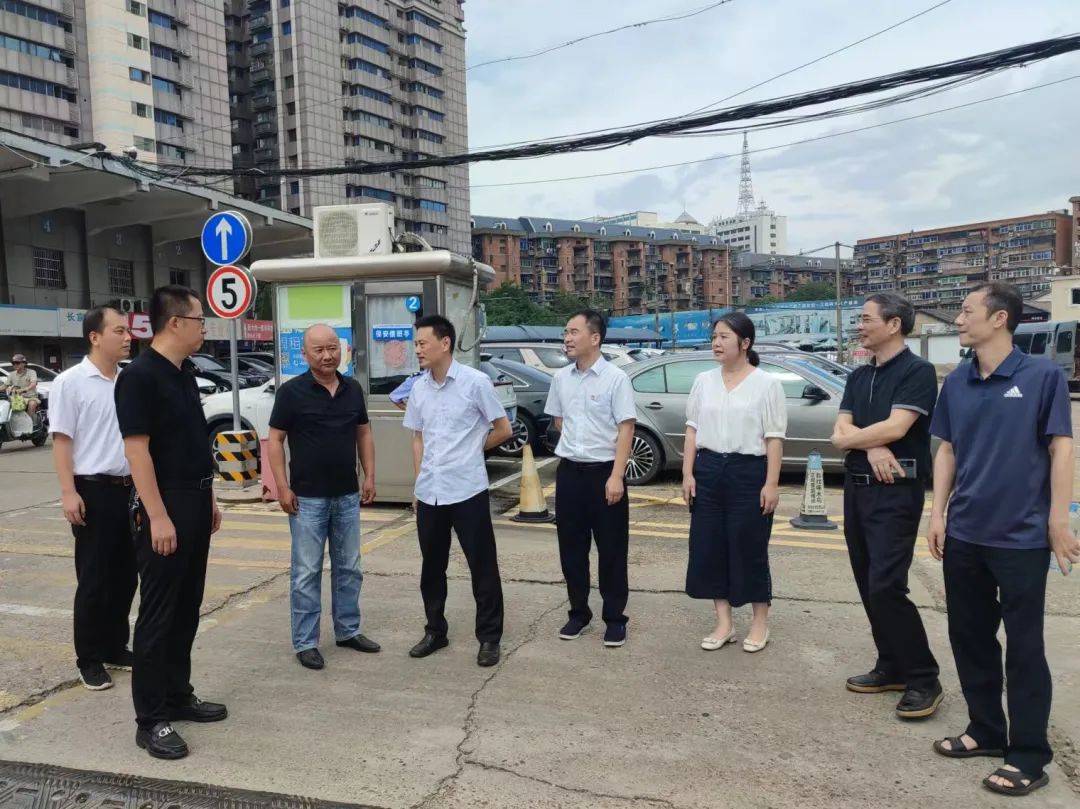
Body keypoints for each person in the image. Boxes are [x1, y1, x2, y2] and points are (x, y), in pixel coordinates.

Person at [928, 282, 1079, 797]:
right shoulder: (958, 381)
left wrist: (1058, 520)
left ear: (998, 319)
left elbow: (1061, 448)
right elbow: (947, 450)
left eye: (966, 310)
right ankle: (986, 730)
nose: (958, 319)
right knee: (969, 636)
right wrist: (937, 513)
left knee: (1025, 646)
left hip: (1021, 537)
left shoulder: (1042, 376)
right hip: (965, 532)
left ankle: (1029, 754)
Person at [114, 285, 226, 761]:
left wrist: (210, 495)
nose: (205, 329)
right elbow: (136, 451)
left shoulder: (185, 373)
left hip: (195, 499)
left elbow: (192, 443)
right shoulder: (139, 377)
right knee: (159, 613)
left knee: (187, 607)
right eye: (200, 320)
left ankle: (179, 695)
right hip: (164, 503)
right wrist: (157, 516)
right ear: (175, 323)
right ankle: (151, 719)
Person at [830, 292, 942, 720]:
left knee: (886, 586)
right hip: (857, 489)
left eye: (866, 319)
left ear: (894, 324)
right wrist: (874, 446)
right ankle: (890, 664)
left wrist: (867, 440)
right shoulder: (859, 375)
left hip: (895, 491)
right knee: (866, 581)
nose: (859, 326)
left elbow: (898, 426)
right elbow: (839, 431)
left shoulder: (917, 371)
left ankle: (924, 677)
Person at [267, 323, 380, 671]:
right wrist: (282, 487)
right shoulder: (291, 393)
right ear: (305, 354)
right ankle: (306, 642)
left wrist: (369, 475)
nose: (328, 355)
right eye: (319, 350)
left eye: (333, 348)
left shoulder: (352, 389)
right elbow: (275, 440)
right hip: (307, 499)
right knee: (306, 572)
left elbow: (363, 433)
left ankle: (348, 629)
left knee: (350, 567)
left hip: (346, 495)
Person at [403, 315, 512, 667]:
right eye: (416, 344)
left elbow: (503, 429)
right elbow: (418, 438)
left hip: (467, 490)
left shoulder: (475, 382)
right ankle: (435, 630)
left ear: (445, 343)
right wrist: (418, 484)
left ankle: (489, 637)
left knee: (482, 566)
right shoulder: (418, 388)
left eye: (423, 343)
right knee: (431, 568)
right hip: (430, 492)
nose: (418, 350)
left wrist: (472, 450)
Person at [683, 313, 785, 653]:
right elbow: (692, 429)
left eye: (724, 337)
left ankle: (759, 623)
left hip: (748, 471)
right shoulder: (704, 381)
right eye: (714, 336)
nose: (716, 342)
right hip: (708, 469)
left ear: (745, 343)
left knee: (749, 547)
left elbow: (774, 438)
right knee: (709, 545)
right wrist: (688, 473)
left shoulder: (766, 384)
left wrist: (771, 483)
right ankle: (724, 622)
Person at [49, 306, 137, 691]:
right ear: (95, 337)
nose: (128, 337)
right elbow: (61, 441)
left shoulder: (128, 379)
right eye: (119, 331)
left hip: (129, 489)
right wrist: (69, 492)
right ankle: (88, 658)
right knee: (94, 578)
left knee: (126, 575)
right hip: (92, 490)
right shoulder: (70, 383)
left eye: (128, 330)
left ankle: (115, 646)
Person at [544, 310, 636, 647]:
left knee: (611, 551)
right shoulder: (561, 379)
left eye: (574, 332)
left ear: (595, 338)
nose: (567, 338)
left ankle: (615, 618)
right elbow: (559, 421)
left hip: (604, 473)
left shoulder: (615, 378)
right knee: (571, 549)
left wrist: (617, 476)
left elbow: (626, 427)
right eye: (566, 332)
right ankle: (578, 614)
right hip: (570, 473)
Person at [3, 353, 41, 419]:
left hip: (30, 397)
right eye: (13, 363)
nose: (15, 365)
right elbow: (4, 386)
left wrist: (24, 389)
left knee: (32, 404)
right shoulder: (12, 374)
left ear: (24, 363)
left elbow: (33, 384)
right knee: (5, 405)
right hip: (16, 398)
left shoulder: (31, 372)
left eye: (17, 363)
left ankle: (28, 422)